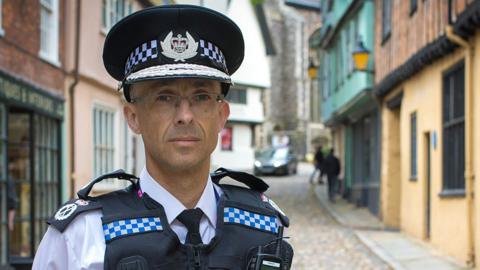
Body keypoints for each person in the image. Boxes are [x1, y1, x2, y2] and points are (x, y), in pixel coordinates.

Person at [32, 5, 293, 270]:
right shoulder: (83, 237)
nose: (185, 116)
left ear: (222, 115)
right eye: (164, 97)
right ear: (133, 117)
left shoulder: (263, 228)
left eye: (201, 96)